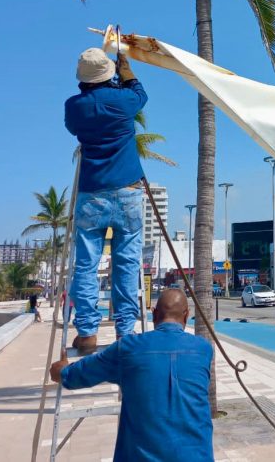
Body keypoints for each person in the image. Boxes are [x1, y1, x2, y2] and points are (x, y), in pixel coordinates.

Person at [50, 289, 213, 461]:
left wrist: (61, 371)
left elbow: (77, 375)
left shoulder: (128, 349)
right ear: (186, 316)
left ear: (155, 313)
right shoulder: (203, 349)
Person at [65, 48, 148, 354]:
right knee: (126, 264)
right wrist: (126, 70)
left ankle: (87, 332)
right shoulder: (124, 101)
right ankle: (125, 331)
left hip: (92, 194)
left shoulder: (74, 106)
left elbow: (74, 129)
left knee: (86, 265)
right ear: (108, 73)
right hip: (128, 193)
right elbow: (140, 94)